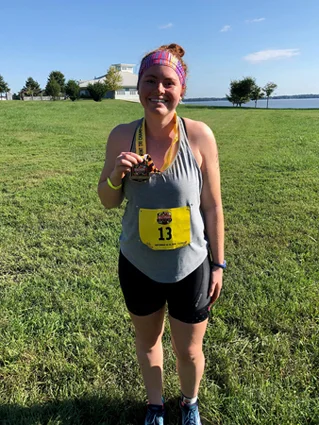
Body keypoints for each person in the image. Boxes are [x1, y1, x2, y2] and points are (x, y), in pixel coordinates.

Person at [98, 43, 225, 425]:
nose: (158, 90)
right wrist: (116, 174)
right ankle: (155, 406)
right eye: (149, 80)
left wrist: (218, 264)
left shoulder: (200, 136)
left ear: (181, 89)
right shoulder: (122, 136)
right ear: (138, 86)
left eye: (168, 82)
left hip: (191, 264)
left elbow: (213, 206)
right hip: (139, 262)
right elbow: (107, 200)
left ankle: (189, 404)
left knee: (188, 350)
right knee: (148, 342)